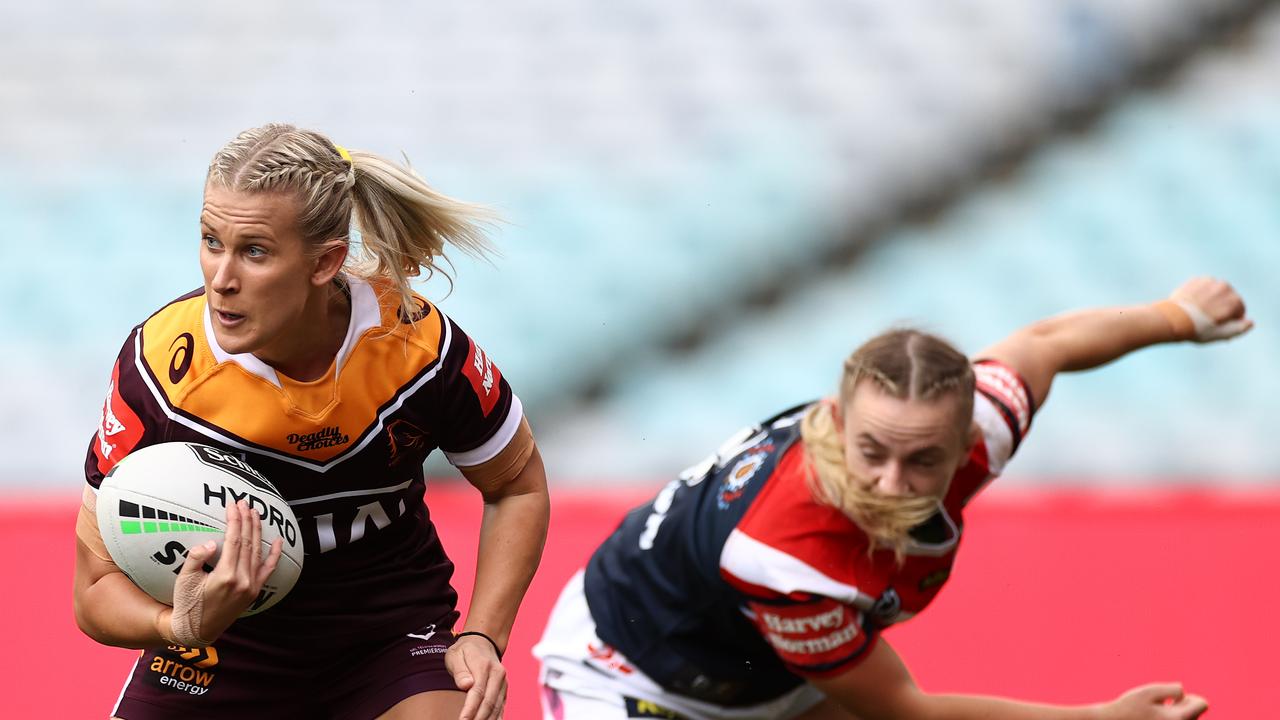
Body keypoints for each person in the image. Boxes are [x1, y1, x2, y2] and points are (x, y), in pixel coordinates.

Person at [534, 277, 1251, 720]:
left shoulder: (984, 427)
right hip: (628, 672)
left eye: (924, 460)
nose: (890, 483)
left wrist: (1179, 317)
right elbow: (907, 711)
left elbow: (1045, 342)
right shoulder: (786, 552)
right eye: (872, 451)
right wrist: (1099, 719)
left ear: (964, 436)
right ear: (839, 423)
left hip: (761, 675)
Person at [73, 123, 550, 720]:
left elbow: (517, 486)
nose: (221, 279)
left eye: (254, 251)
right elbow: (92, 592)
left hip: (390, 643)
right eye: (210, 241)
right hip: (222, 650)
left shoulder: (418, 350)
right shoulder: (160, 371)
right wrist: (178, 622)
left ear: (326, 261)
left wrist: (482, 635)